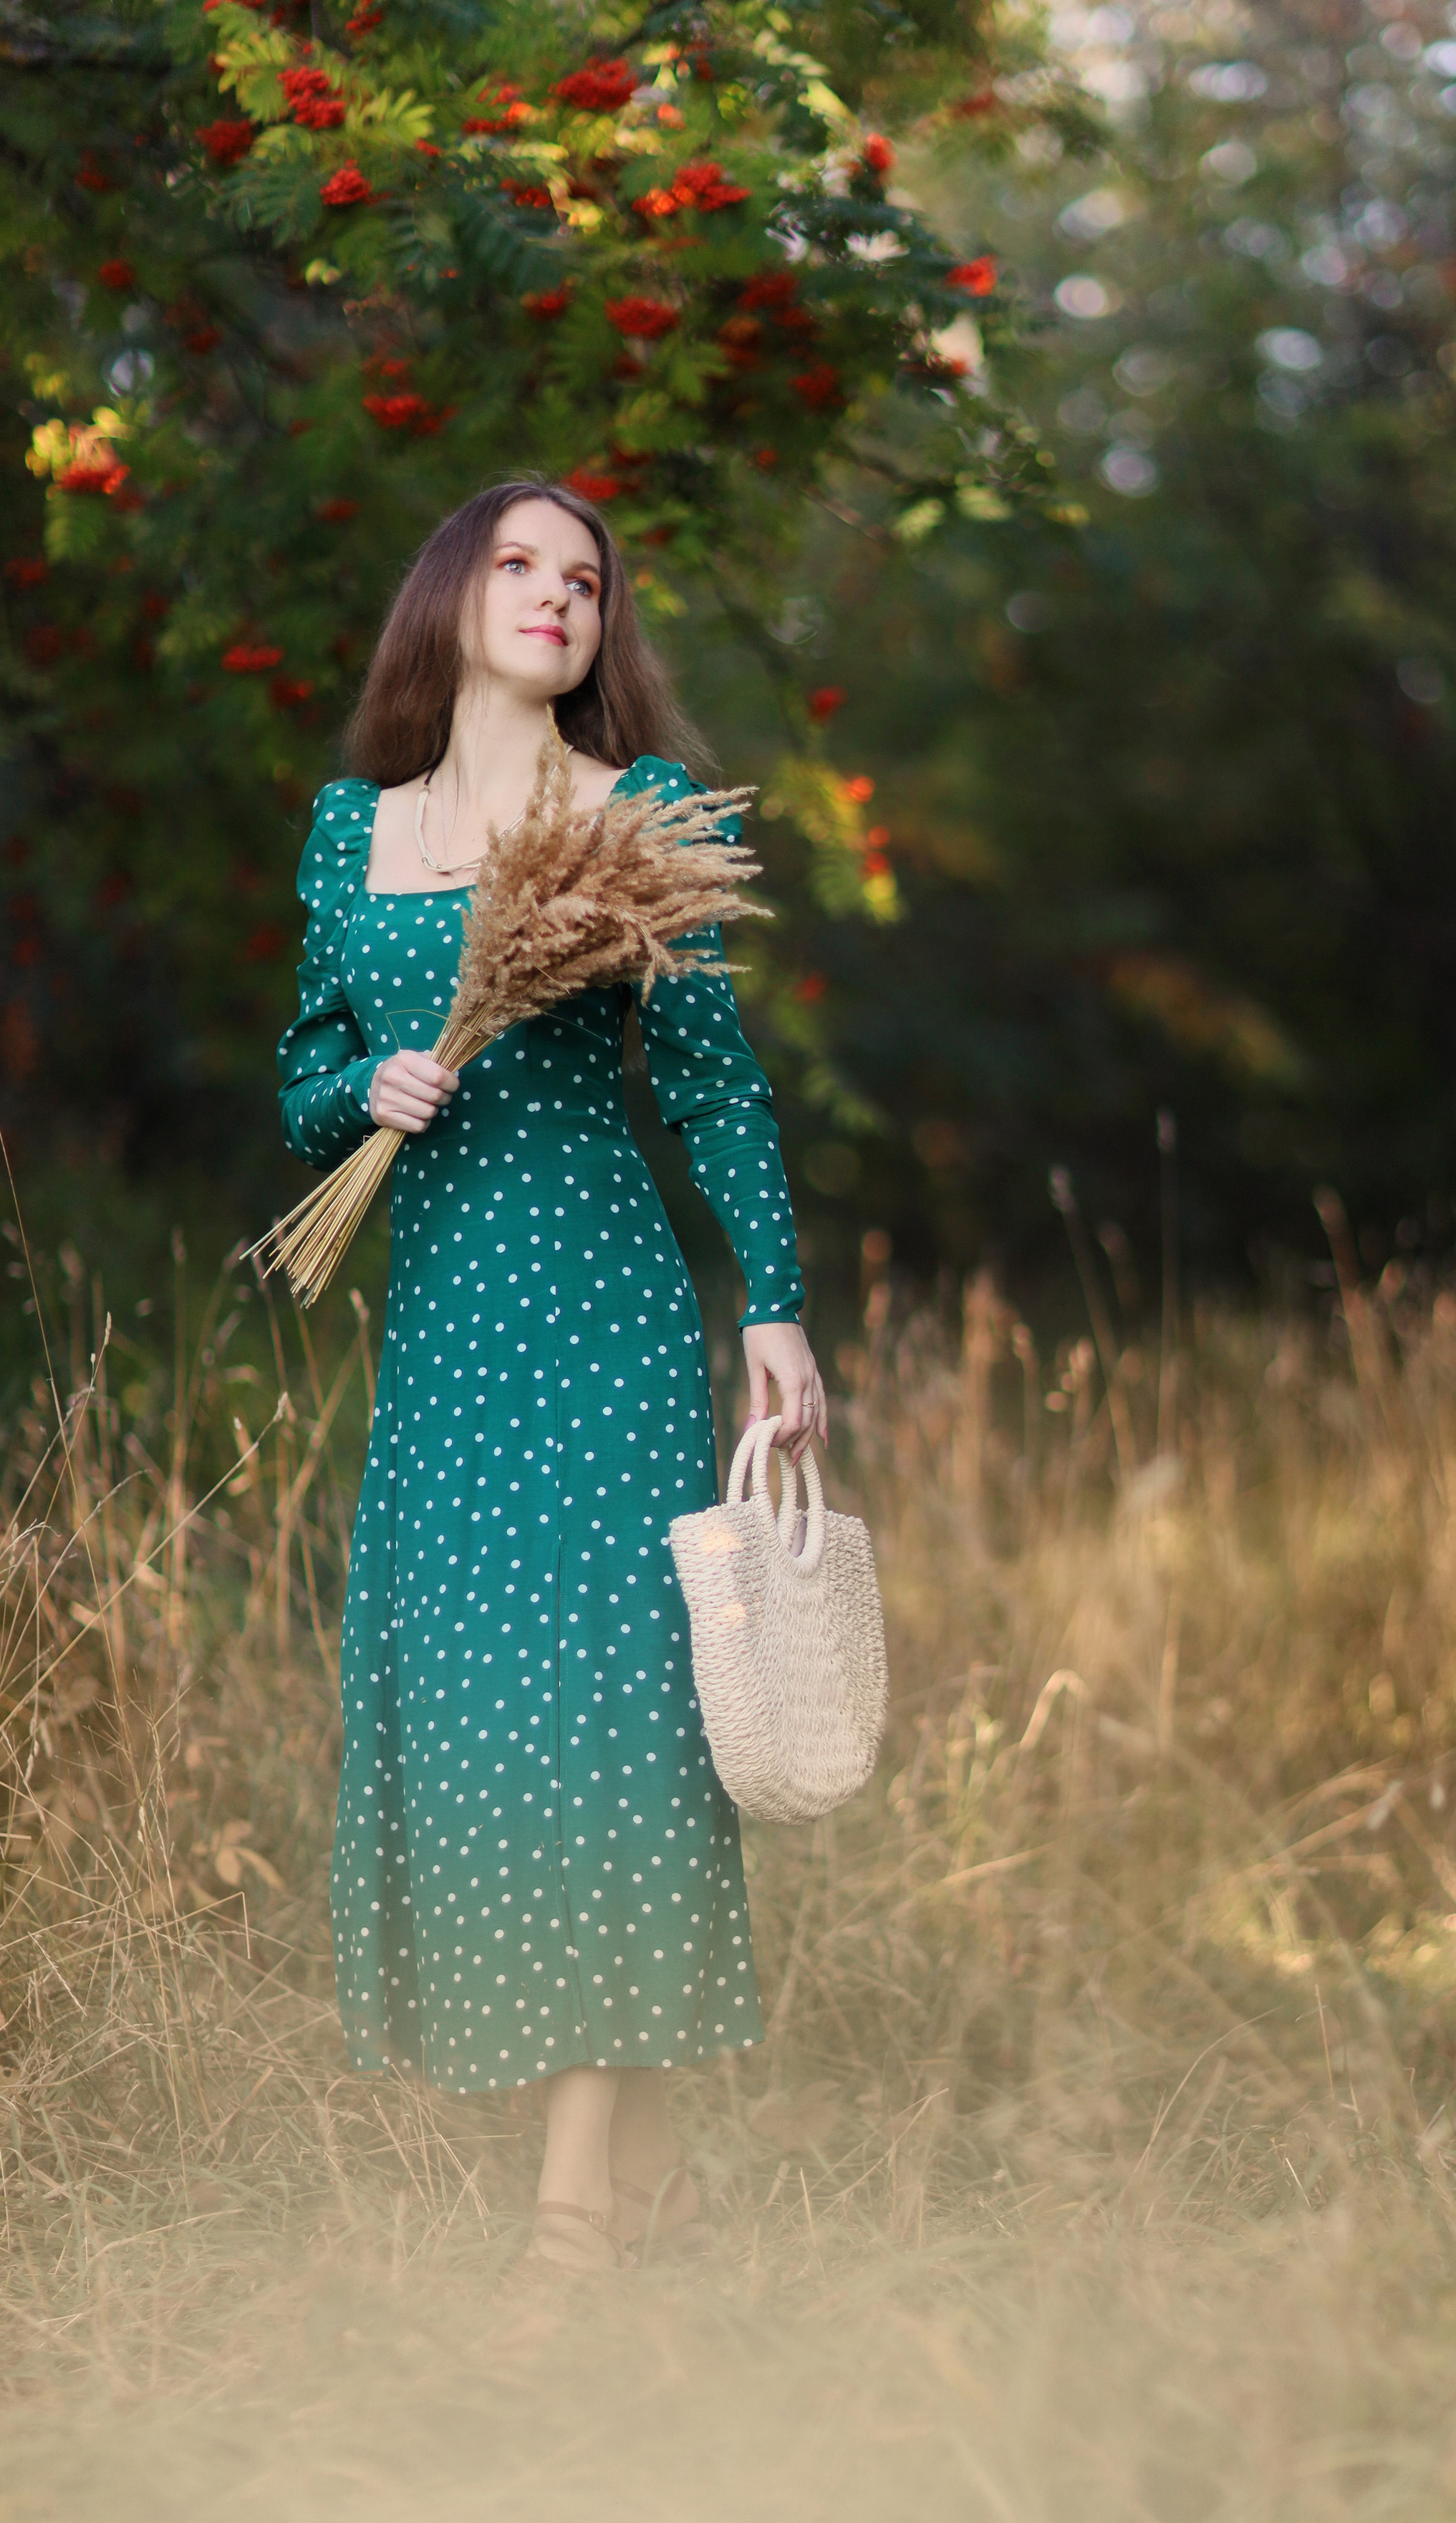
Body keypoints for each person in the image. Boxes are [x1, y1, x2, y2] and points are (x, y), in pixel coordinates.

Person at [275, 477, 826, 2272]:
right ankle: (660, 2197)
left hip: (603, 1331)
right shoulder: (350, 831)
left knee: (610, 1743)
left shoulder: (640, 814)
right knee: (488, 1739)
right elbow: (297, 1078)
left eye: (581, 580)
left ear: (602, 629)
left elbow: (718, 1079)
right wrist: (364, 1094)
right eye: (516, 565)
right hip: (441, 1345)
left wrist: (774, 1306)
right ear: (447, 598)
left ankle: (571, 2235)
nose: (553, 596)